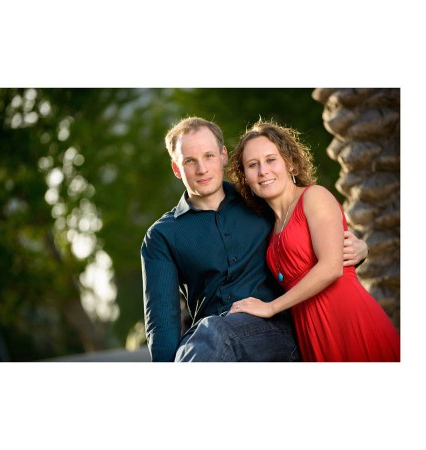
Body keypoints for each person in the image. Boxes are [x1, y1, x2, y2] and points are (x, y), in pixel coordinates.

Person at [141, 117, 368, 362]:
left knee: (212, 332)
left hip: (275, 332)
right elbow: (162, 322)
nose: (202, 169)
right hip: (209, 344)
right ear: (177, 168)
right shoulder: (162, 235)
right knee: (205, 336)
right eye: (189, 161)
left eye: (209, 156)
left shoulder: (261, 199)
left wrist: (359, 248)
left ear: (223, 156)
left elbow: (308, 232)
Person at [226, 121, 399, 361]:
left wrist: (271, 307)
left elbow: (331, 267)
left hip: (348, 317)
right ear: (246, 177)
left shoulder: (314, 197)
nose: (263, 171)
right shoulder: (271, 225)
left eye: (271, 160)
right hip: (311, 330)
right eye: (252, 165)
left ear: (291, 164)